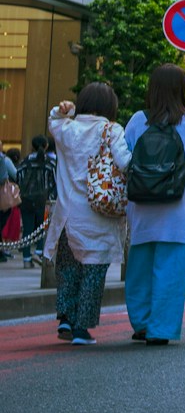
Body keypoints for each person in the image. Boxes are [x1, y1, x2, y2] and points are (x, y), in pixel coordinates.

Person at [124, 64, 185, 345]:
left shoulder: (137, 121)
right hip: (178, 210)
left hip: (141, 207)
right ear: (182, 89)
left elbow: (124, 163)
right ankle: (161, 329)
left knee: (140, 268)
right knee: (170, 271)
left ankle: (142, 323)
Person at [42, 85, 130, 345]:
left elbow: (54, 120)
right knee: (93, 271)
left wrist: (63, 109)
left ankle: (65, 318)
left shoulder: (67, 129)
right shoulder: (112, 130)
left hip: (67, 216)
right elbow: (125, 162)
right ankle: (81, 329)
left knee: (68, 268)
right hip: (97, 216)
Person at [16, 135, 56, 268]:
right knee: (43, 228)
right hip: (43, 200)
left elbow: (18, 177)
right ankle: (39, 252)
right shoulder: (50, 162)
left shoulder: (25, 161)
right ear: (46, 146)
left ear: (31, 146)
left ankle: (26, 259)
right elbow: (55, 181)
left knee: (27, 230)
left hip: (26, 199)